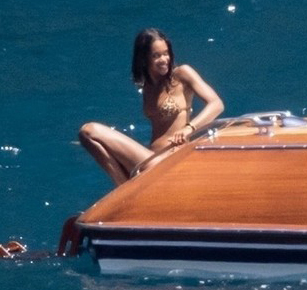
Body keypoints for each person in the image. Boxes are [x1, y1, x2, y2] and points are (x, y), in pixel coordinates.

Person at [79, 29, 225, 186]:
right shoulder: (148, 87)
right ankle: (124, 186)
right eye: (156, 55)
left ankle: (124, 189)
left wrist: (189, 129)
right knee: (90, 140)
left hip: (169, 159)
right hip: (151, 158)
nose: (164, 59)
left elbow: (216, 104)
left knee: (89, 130)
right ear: (144, 59)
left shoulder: (181, 74)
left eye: (166, 53)